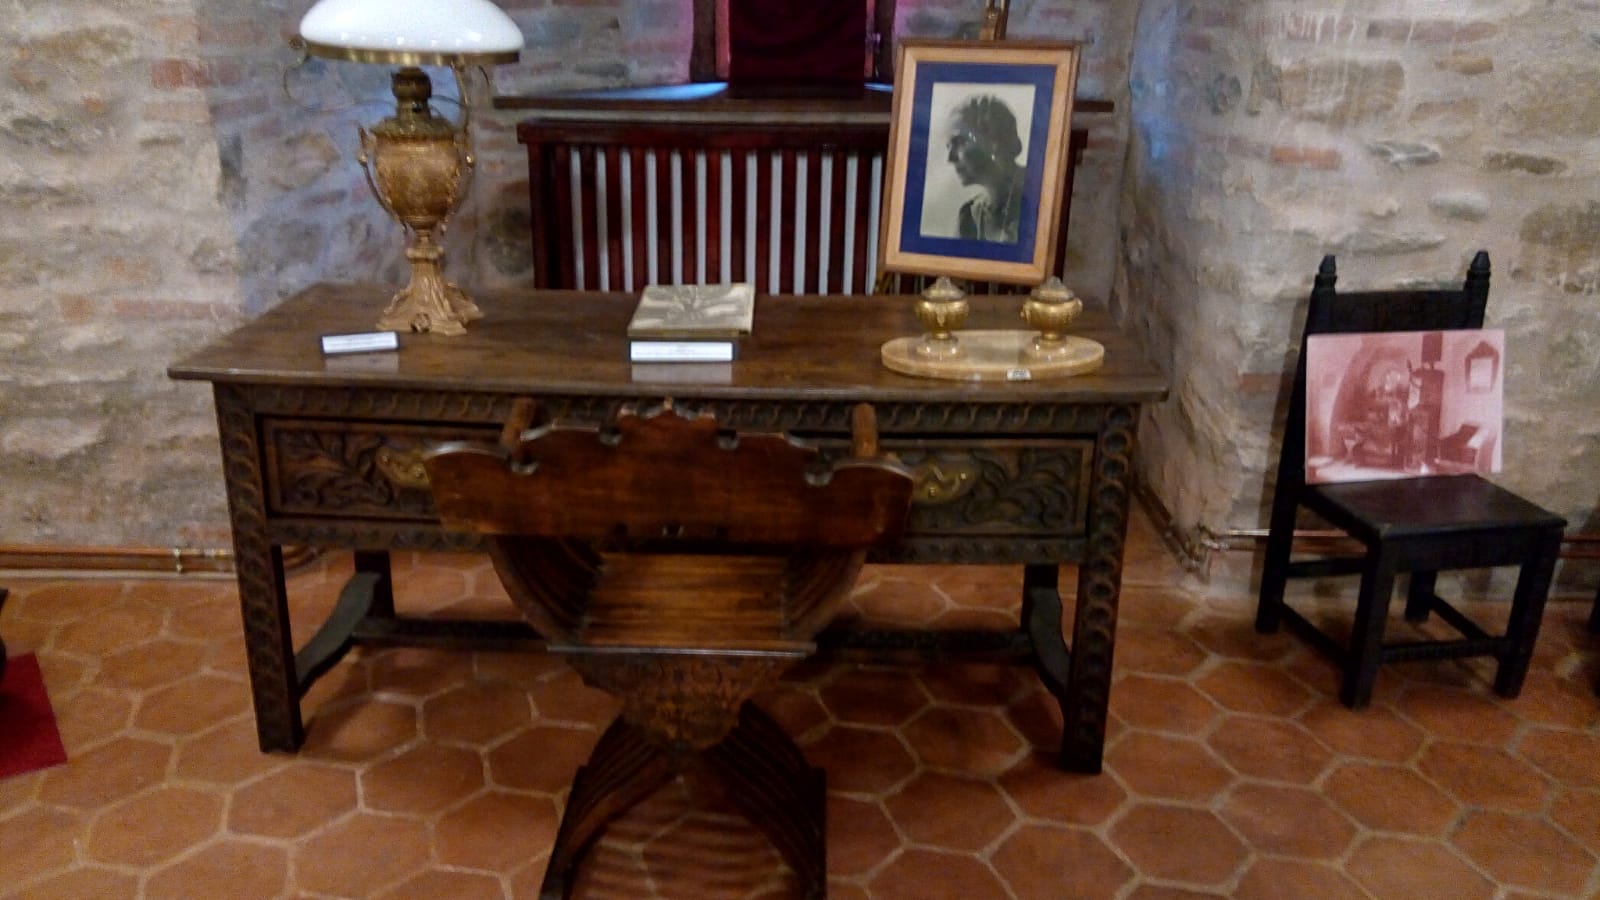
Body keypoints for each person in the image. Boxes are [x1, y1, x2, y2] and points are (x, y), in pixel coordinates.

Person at [945, 95, 1026, 243]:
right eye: (949, 147)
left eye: (959, 142)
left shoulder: (1041, 195)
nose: (950, 158)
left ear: (992, 140)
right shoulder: (969, 217)